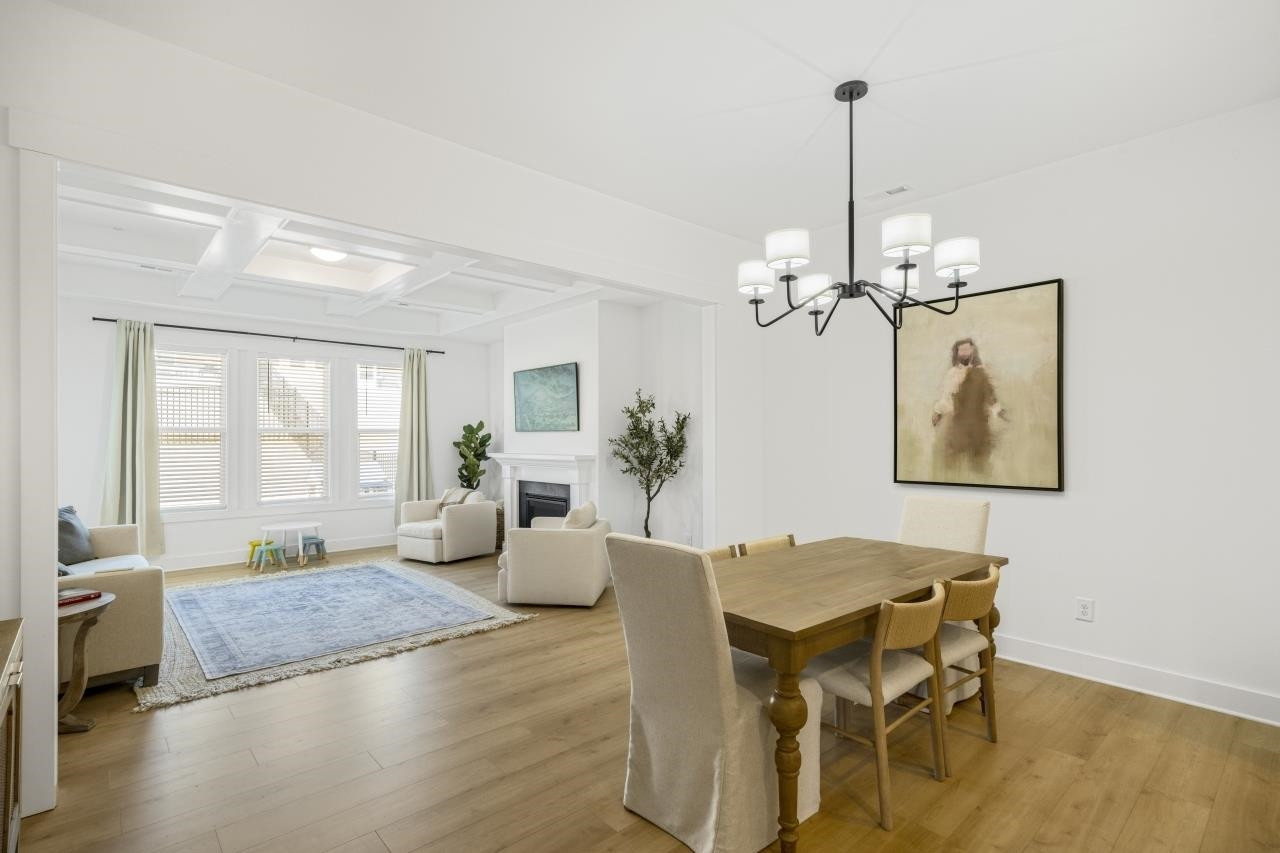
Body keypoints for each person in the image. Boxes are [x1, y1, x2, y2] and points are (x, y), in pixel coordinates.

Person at [931, 338, 1008, 473]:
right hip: (959, 427)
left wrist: (999, 411)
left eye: (967, 349)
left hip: (980, 427)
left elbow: (990, 396)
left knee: (980, 466)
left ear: (973, 351)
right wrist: (937, 412)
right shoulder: (952, 374)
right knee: (953, 466)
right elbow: (947, 398)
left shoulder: (981, 374)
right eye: (962, 350)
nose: (965, 353)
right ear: (957, 353)